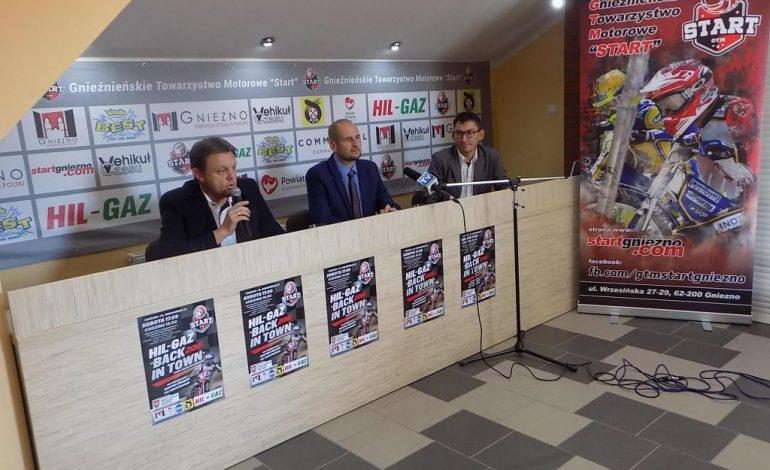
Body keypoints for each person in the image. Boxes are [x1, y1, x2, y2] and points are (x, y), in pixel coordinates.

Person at [158, 136, 283, 259]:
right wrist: (223, 231)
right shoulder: (176, 202)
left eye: (233, 168)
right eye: (222, 171)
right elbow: (170, 255)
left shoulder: (248, 189)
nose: (232, 176)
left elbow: (276, 236)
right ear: (199, 174)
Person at [305, 119, 399, 225]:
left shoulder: (369, 168)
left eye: (357, 137)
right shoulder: (318, 175)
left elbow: (386, 201)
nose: (355, 144)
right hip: (339, 235)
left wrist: (389, 209)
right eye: (348, 139)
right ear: (333, 145)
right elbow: (322, 220)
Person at [427, 112, 509, 199]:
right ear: (453, 136)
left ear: (481, 135)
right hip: (451, 207)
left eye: (469, 133)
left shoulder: (491, 156)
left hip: (480, 206)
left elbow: (504, 187)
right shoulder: (440, 159)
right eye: (459, 133)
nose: (464, 139)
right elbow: (432, 196)